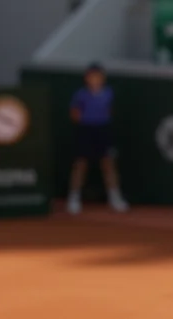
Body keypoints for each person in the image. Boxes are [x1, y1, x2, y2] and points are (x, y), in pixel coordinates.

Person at [66, 63, 129, 216]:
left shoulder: (109, 93)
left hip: (103, 130)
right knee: (81, 164)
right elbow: (74, 113)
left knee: (108, 164)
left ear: (103, 78)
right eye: (92, 76)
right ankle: (74, 198)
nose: (95, 79)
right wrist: (86, 121)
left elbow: (111, 110)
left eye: (98, 76)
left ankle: (115, 197)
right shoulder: (80, 95)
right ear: (87, 78)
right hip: (86, 130)